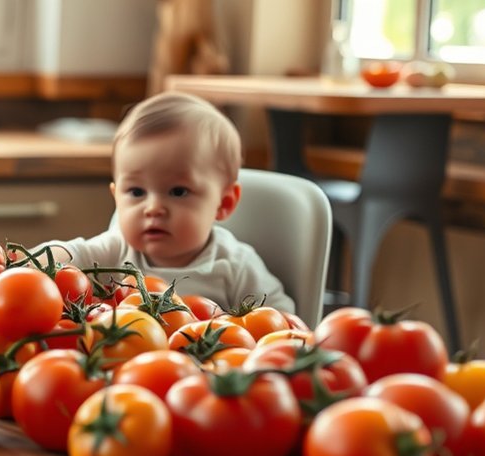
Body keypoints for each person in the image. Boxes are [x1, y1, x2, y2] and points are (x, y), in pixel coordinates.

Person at [37, 91, 294, 313]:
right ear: (116, 197)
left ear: (223, 203)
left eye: (178, 192)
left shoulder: (235, 265)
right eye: (137, 192)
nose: (153, 208)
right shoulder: (115, 250)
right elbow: (69, 254)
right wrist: (31, 264)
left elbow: (280, 320)